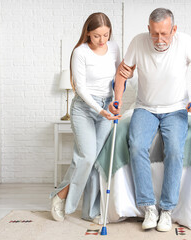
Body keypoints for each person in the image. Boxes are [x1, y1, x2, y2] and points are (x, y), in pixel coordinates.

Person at [109, 8, 191, 232]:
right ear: (149, 29)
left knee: (174, 150)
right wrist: (117, 100)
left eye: (165, 34)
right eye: (155, 33)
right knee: (136, 146)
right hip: (145, 108)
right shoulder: (138, 42)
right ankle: (149, 207)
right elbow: (122, 72)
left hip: (176, 108)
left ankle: (166, 210)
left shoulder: (184, 42)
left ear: (173, 29)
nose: (159, 39)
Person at [50, 12, 133, 222]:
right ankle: (60, 196)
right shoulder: (80, 52)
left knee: (95, 160)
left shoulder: (113, 47)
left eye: (106, 35)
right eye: (97, 36)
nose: (102, 40)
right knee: (85, 156)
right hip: (84, 108)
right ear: (87, 33)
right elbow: (80, 88)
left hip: (107, 107)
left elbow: (118, 77)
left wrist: (117, 98)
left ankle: (90, 211)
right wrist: (100, 110)